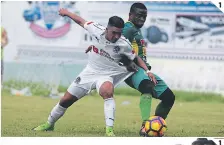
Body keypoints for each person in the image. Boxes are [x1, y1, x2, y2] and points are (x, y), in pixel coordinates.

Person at [33, 8, 157, 136]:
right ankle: (49, 124)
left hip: (106, 75)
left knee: (107, 91)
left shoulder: (123, 44)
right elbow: (81, 21)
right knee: (65, 100)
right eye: (114, 32)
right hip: (89, 72)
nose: (116, 36)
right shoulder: (96, 30)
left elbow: (136, 57)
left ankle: (109, 130)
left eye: (119, 33)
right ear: (107, 28)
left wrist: (147, 71)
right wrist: (67, 13)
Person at [123, 2, 175, 136]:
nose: (142, 19)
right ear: (130, 15)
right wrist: (127, 63)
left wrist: (147, 70)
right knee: (147, 86)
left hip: (144, 70)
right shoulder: (127, 29)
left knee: (169, 97)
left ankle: (157, 126)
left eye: (144, 17)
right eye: (139, 16)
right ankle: (145, 126)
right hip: (131, 70)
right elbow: (118, 49)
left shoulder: (137, 29)